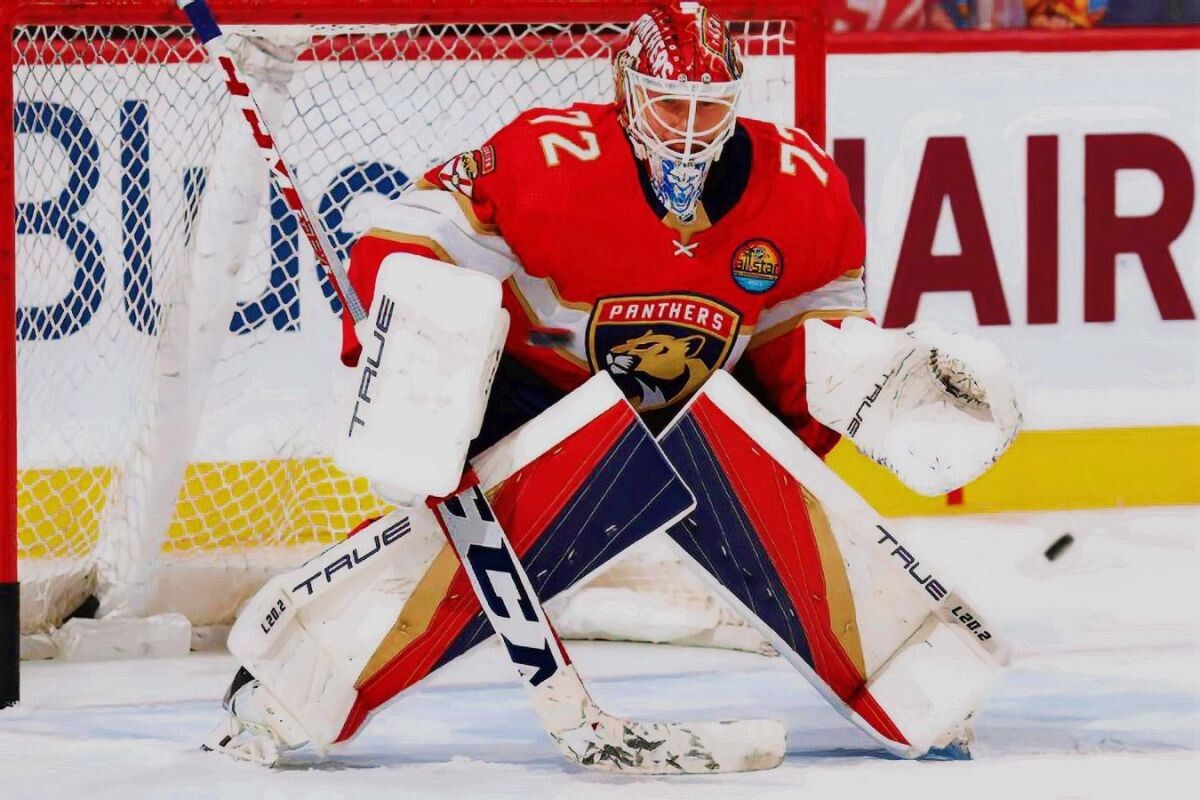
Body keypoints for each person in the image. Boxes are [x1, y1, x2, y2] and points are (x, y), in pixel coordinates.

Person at [204, 2, 1017, 767]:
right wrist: (406, 331)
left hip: (692, 411)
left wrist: (870, 381)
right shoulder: (549, 156)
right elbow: (415, 232)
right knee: (470, 544)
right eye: (669, 104)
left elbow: (809, 334)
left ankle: (912, 674)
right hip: (534, 397)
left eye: (708, 107)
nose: (690, 128)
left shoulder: (802, 185)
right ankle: (294, 679)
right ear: (627, 93)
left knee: (766, 475)